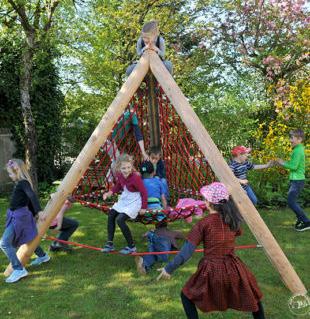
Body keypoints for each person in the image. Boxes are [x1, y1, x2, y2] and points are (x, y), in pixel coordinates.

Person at [157, 182, 265, 319]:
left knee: (186, 296)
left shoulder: (204, 224)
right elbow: (236, 233)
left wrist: (169, 268)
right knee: (252, 295)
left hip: (211, 270)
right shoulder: (232, 220)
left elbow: (187, 252)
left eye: (205, 198)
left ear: (209, 202)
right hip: (234, 268)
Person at [0, 159, 44, 283]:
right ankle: (43, 255)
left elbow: (32, 196)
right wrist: (34, 213)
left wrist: (39, 211)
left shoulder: (23, 183)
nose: (9, 176)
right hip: (19, 215)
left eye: (10, 173)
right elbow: (27, 200)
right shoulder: (20, 183)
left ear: (17, 171)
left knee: (4, 243)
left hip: (19, 217)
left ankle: (18, 269)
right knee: (26, 237)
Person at [102, 154, 148, 254]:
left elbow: (144, 192)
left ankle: (131, 246)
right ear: (119, 168)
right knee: (111, 215)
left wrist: (144, 207)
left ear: (131, 166)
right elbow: (118, 185)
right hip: (125, 198)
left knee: (120, 219)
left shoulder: (136, 177)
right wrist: (110, 192)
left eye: (128, 167)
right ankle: (110, 243)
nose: (126, 170)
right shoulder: (119, 174)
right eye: (123, 168)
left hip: (135, 201)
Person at [275, 129, 310, 231]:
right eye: (290, 137)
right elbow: (294, 165)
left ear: (299, 139)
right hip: (296, 180)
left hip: (297, 181)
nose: (290, 140)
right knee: (292, 201)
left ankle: (306, 221)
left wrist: (282, 163)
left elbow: (294, 166)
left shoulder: (298, 151)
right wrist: (283, 163)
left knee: (291, 201)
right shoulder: (298, 149)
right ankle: (301, 219)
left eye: (292, 138)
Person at [30, 196, 79, 266]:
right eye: (72, 205)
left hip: (47, 221)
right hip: (54, 222)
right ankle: (58, 243)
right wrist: (58, 226)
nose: (71, 207)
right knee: (74, 224)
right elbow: (60, 215)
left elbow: (53, 195)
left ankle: (56, 244)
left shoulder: (58, 198)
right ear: (70, 203)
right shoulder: (66, 203)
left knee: (68, 226)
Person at [105, 110, 148, 183]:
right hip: (106, 139)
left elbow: (138, 134)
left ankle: (109, 181)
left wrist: (143, 152)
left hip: (112, 141)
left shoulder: (132, 116)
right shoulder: (127, 114)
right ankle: (110, 181)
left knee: (116, 160)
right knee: (118, 159)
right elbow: (138, 134)